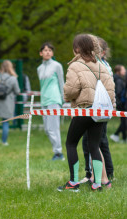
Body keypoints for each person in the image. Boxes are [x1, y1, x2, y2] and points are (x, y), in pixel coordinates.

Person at [58, 34, 115, 192]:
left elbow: (71, 90)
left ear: (77, 49)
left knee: (71, 143)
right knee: (94, 146)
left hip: (83, 110)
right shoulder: (102, 66)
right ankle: (97, 184)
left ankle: (73, 182)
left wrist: (68, 97)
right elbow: (111, 91)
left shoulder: (75, 66)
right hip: (100, 112)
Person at [80, 36, 115, 184]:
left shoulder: (100, 66)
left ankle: (92, 176)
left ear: (102, 52)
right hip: (102, 109)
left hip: (97, 108)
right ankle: (108, 173)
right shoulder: (104, 65)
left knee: (91, 142)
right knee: (101, 141)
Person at [37, 42, 65, 161]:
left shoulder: (57, 65)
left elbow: (61, 82)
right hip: (44, 101)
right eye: (45, 50)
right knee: (47, 129)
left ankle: (58, 153)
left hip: (54, 99)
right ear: (41, 53)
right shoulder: (39, 68)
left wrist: (63, 99)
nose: (47, 52)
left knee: (53, 128)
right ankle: (57, 151)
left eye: (50, 50)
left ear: (52, 53)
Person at [110, 65, 126, 143]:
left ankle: (122, 138)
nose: (125, 71)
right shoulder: (119, 81)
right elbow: (119, 93)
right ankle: (117, 135)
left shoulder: (117, 79)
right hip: (121, 104)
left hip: (119, 103)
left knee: (123, 121)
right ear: (118, 71)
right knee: (124, 122)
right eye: (123, 70)